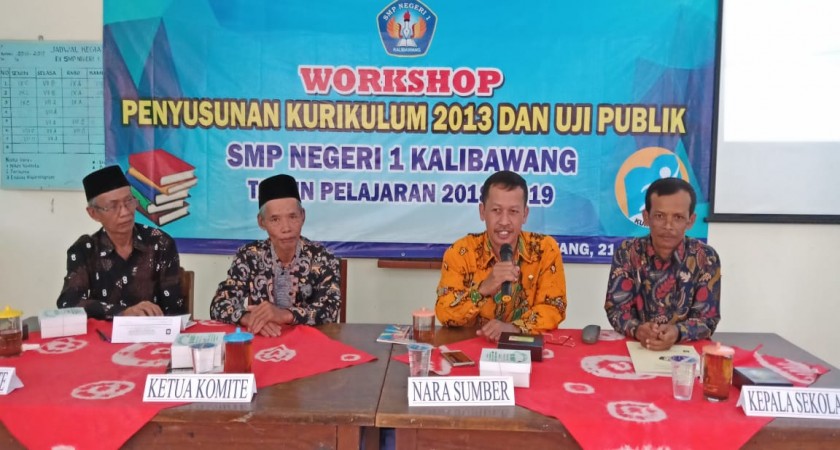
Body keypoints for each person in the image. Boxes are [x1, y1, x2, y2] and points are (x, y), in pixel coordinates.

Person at [435, 171, 567, 341]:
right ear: (482, 211)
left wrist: (514, 328)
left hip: (525, 348)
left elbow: (554, 307)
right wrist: (482, 290)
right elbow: (444, 313)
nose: (504, 221)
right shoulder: (461, 252)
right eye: (496, 210)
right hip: (473, 347)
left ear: (525, 214)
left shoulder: (544, 249)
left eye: (513, 211)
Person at [210, 173, 341, 336]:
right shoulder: (249, 256)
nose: (286, 228)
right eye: (275, 220)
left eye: (292, 217)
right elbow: (219, 304)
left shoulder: (323, 258)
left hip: (309, 343)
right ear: (261, 222)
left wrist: (284, 315)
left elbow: (329, 310)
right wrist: (249, 318)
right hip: (265, 341)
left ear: (303, 216)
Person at [604, 177, 721, 351]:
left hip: (686, 350)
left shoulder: (705, 257)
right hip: (637, 346)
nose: (668, 226)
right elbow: (616, 309)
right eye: (659, 216)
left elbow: (708, 318)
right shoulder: (627, 252)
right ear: (646, 217)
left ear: (690, 221)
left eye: (678, 217)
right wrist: (638, 330)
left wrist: (678, 332)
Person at [57, 165, 185, 318]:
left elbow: (175, 310)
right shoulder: (85, 249)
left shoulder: (160, 243)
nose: (125, 212)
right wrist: (122, 313)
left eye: (129, 201)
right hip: (103, 333)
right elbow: (68, 303)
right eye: (113, 206)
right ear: (93, 213)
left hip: (153, 330)